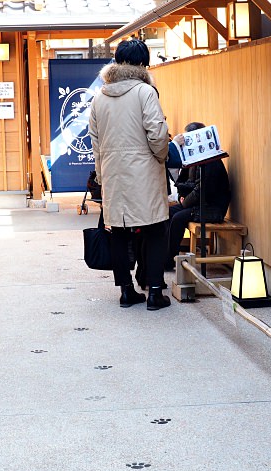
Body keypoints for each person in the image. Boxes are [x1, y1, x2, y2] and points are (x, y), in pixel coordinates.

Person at [88, 38, 171, 311]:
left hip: (114, 173)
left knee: (119, 233)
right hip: (144, 171)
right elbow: (157, 133)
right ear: (143, 64)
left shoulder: (99, 97)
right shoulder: (146, 92)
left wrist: (102, 175)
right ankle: (155, 293)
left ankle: (126, 292)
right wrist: (161, 157)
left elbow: (95, 143)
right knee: (156, 228)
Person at [164, 122, 232, 269]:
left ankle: (168, 259)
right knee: (167, 213)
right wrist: (182, 195)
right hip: (200, 204)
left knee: (177, 217)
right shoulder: (195, 158)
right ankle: (166, 257)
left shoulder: (211, 161)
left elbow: (202, 190)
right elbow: (187, 182)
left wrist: (184, 203)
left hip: (213, 208)